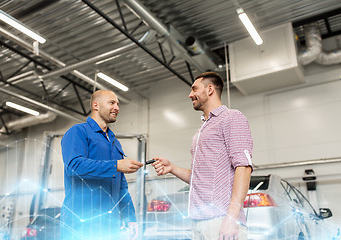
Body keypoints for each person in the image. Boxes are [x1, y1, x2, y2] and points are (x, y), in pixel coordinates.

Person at [152, 72, 253, 240]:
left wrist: (231, 217)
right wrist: (172, 168)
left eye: (194, 89)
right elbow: (199, 178)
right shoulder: (201, 131)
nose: (190, 94)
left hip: (221, 220)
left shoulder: (232, 118)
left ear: (210, 89)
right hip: (197, 221)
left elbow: (243, 168)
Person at [60, 90, 143, 240]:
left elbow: (121, 186)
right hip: (81, 223)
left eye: (118, 104)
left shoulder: (114, 141)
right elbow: (74, 166)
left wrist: (130, 218)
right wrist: (116, 166)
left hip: (109, 225)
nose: (117, 107)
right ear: (96, 105)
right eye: (112, 102)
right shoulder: (78, 132)